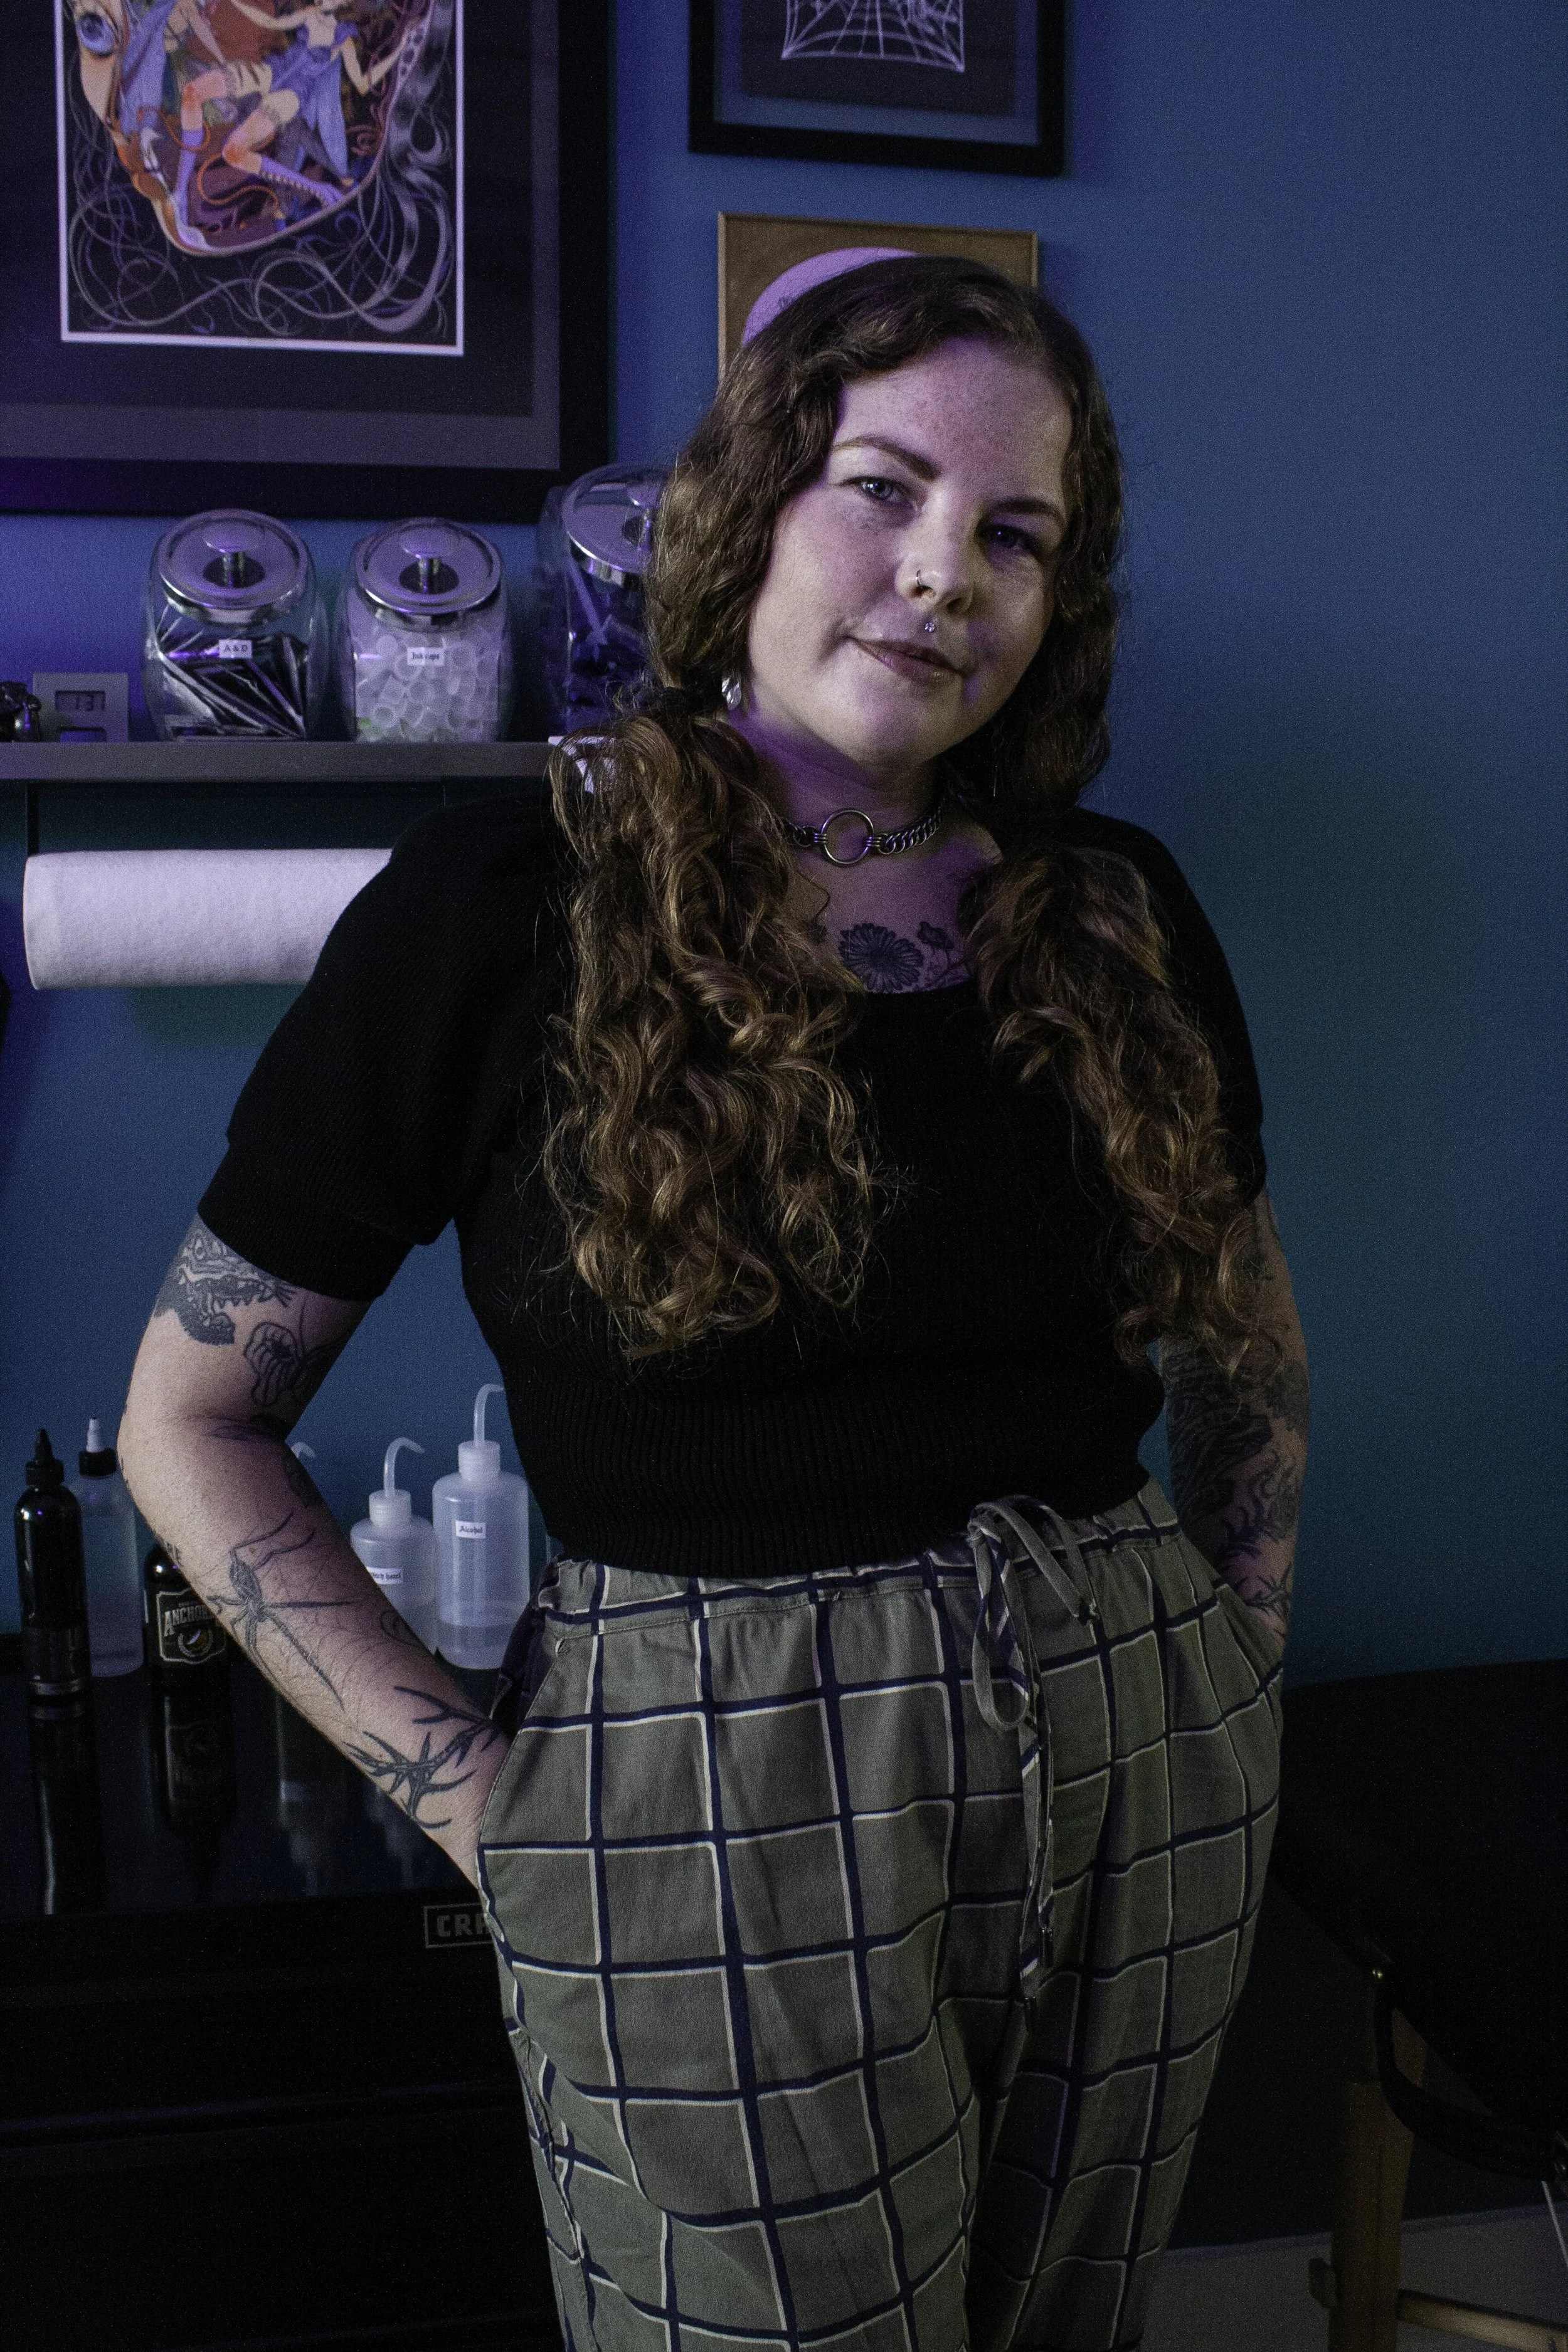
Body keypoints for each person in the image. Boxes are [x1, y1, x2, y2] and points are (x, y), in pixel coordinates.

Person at [120, 255, 1309, 2351]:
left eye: (1014, 532)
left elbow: (1245, 1349)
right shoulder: (499, 910)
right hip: (705, 1796)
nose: (945, 573)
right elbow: (187, 1423)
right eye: (883, 485)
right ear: (752, 499)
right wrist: (485, 1805)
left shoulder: (1115, 911)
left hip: (1140, 1748)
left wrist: (1224, 1667)